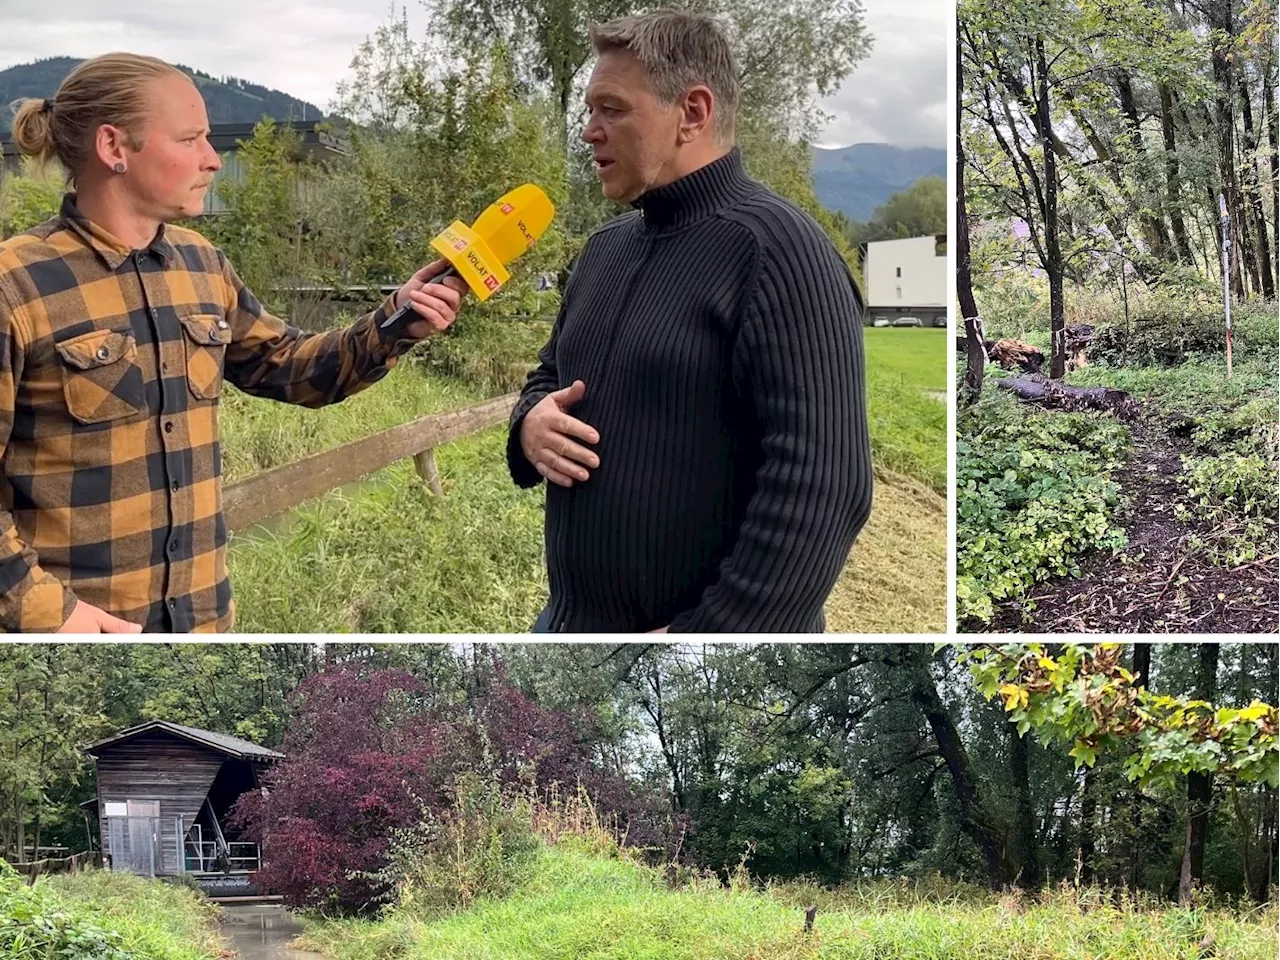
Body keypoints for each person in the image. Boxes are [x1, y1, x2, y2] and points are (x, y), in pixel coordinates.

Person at [0, 53, 467, 633]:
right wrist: (48, 613)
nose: (213, 159)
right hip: (73, 635)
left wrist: (395, 321)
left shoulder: (203, 264)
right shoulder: (14, 284)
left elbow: (289, 366)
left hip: (203, 624)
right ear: (114, 147)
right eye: (191, 138)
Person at [509, 10, 873, 633]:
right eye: (588, 112)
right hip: (565, 628)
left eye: (612, 109)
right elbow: (549, 374)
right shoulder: (602, 251)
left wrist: (700, 639)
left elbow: (823, 487)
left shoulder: (779, 252)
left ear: (694, 112)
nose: (590, 133)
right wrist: (529, 425)